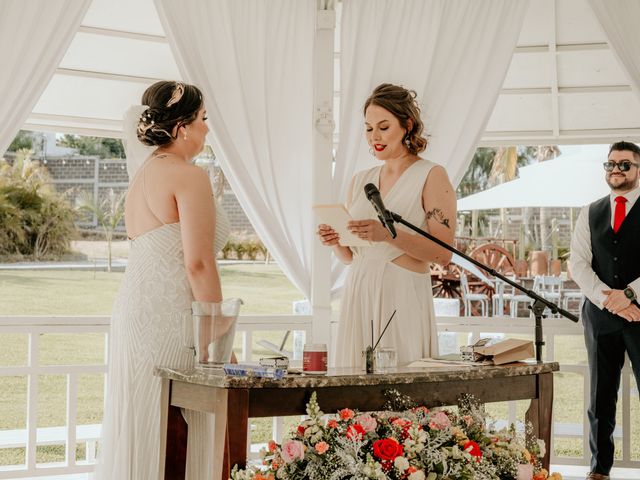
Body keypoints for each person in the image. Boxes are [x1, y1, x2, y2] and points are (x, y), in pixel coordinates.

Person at [93, 81, 230, 479]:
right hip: (172, 320)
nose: (208, 128)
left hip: (136, 314)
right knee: (181, 424)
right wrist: (219, 334)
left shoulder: (143, 174)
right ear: (183, 127)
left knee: (141, 419)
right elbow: (199, 264)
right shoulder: (188, 177)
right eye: (204, 119)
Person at [318, 83, 456, 369]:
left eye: (383, 127)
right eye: (368, 129)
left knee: (400, 389)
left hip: (401, 293)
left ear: (407, 125)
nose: (374, 137)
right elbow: (350, 257)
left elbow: (443, 254)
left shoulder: (431, 174)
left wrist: (388, 235)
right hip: (359, 291)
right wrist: (336, 242)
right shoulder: (360, 180)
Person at [569, 141, 640, 480]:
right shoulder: (590, 211)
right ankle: (599, 470)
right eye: (610, 164)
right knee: (600, 396)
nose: (616, 169)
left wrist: (629, 295)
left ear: (638, 170)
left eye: (625, 164)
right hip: (599, 316)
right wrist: (607, 298)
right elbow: (578, 264)